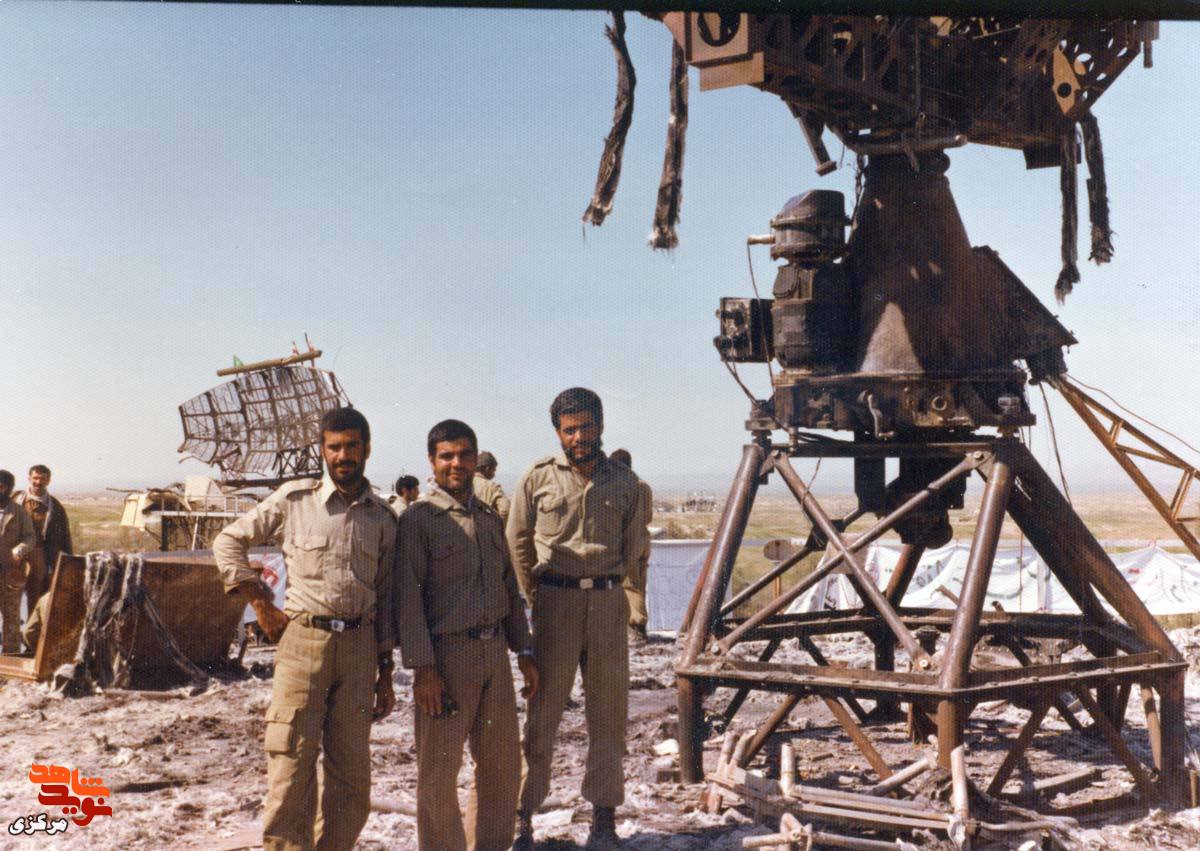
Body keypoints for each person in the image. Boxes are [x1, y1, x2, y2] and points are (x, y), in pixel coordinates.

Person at [213, 407, 397, 851]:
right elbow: (228, 541)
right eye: (334, 447)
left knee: (351, 778)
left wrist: (386, 671)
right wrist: (261, 603)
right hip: (303, 644)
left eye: (352, 446)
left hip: (359, 650)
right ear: (322, 450)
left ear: (367, 449)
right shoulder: (294, 501)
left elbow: (386, 597)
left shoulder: (383, 518)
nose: (343, 455)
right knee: (291, 766)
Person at [508, 388, 649, 850]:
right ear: (558, 433)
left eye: (587, 427)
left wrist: (623, 599)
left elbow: (634, 550)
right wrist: (536, 596)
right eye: (570, 430)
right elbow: (518, 541)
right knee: (542, 716)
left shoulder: (626, 483)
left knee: (608, 716)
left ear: (601, 426)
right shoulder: (537, 478)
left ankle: (603, 819)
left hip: (607, 605)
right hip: (555, 606)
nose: (579, 437)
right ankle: (523, 818)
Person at [396, 420, 539, 851]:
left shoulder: (489, 518)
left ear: (476, 459)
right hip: (446, 659)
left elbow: (508, 590)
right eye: (446, 456)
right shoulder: (418, 521)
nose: (456, 464)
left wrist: (524, 651)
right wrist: (424, 670)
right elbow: (408, 600)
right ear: (432, 462)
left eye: (464, 455)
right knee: (439, 773)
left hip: (494, 655)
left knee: (501, 767)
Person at [13, 464, 74, 616]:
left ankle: (31, 630)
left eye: (42, 479)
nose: (38, 482)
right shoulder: (14, 499)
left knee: (36, 598)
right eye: (35, 478)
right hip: (13, 555)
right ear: (29, 478)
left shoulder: (55, 507)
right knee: (10, 598)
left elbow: (64, 538)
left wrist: (67, 565)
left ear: (48, 480)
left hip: (39, 556)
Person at [608, 449, 654, 642]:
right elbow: (649, 517)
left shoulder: (621, 486)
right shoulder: (644, 485)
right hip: (644, 541)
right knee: (640, 584)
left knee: (629, 585)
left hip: (629, 542)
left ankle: (635, 627)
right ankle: (638, 626)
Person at [0, 470, 36, 655]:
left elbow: (30, 537)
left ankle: (11, 657)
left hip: (11, 573)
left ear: (8, 488)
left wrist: (19, 550)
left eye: (1, 486)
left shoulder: (19, 512)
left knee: (12, 617)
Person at [472, 451, 510, 523]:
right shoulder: (493, 487)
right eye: (494, 470)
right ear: (487, 469)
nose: (494, 474)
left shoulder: (462, 484)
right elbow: (505, 510)